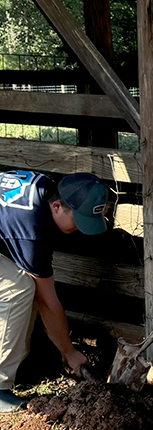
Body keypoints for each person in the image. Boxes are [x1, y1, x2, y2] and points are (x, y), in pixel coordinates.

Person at [0, 171, 108, 413]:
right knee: (18, 289)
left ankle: (16, 364)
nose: (79, 230)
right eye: (77, 222)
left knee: (22, 286)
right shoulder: (30, 228)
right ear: (57, 207)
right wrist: (69, 352)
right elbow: (47, 301)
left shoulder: (47, 189)